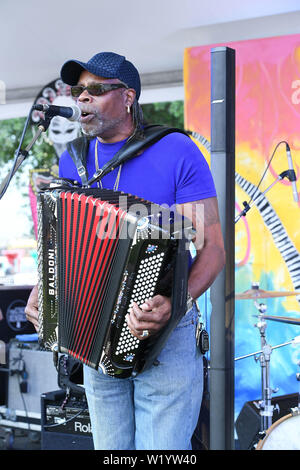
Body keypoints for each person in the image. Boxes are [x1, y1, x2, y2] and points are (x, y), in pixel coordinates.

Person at [25, 52, 225, 450]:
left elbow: (214, 248)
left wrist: (176, 301)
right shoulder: (73, 162)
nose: (82, 98)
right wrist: (42, 289)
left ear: (128, 97)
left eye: (95, 90)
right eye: (78, 91)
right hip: (95, 331)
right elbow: (64, 246)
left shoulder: (175, 150)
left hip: (167, 332)